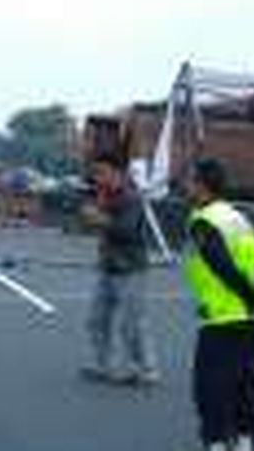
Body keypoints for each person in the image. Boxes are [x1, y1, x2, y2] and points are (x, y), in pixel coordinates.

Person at [184, 158, 254, 451]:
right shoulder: (238, 217)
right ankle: (245, 441)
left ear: (201, 185)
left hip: (223, 319)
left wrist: (253, 298)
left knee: (210, 388)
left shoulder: (203, 220)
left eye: (190, 180)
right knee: (244, 384)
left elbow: (222, 267)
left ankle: (215, 444)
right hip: (252, 321)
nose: (185, 185)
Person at [79, 152, 160, 385]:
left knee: (132, 323)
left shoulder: (131, 197)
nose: (98, 178)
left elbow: (126, 231)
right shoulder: (102, 195)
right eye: (96, 173)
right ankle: (104, 365)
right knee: (96, 319)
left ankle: (146, 369)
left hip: (131, 268)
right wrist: (90, 217)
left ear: (118, 173)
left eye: (102, 172)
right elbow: (92, 225)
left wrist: (98, 218)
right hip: (107, 266)